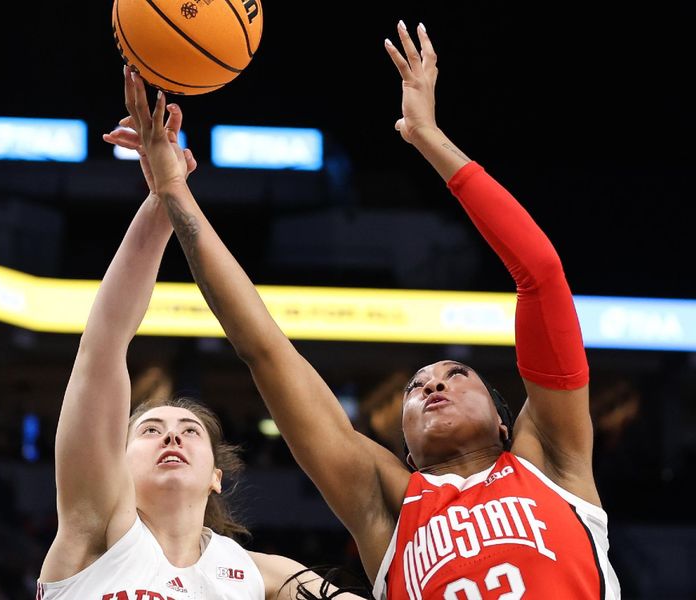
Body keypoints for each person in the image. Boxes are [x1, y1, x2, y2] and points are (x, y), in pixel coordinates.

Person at [127, 20, 621, 599]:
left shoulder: (553, 464)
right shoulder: (389, 506)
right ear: (404, 446)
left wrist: (429, 138)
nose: (433, 385)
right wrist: (174, 195)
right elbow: (263, 348)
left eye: (457, 375)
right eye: (416, 385)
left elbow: (541, 274)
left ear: (506, 422)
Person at [35, 65, 367, 600]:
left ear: (217, 474)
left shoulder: (266, 576)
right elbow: (103, 346)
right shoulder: (92, 532)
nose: (171, 435)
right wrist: (161, 205)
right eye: (149, 430)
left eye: (191, 431)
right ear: (113, 463)